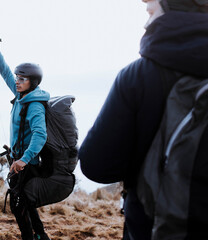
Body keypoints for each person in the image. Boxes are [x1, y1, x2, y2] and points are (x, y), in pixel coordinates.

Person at [78, 0, 208, 239]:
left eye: (151, 12)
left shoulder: (139, 75)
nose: (146, 22)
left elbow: (96, 165)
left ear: (176, 10)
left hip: (152, 229)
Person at [0, 41, 51, 240]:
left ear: (32, 82)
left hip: (27, 164)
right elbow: (7, 74)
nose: (17, 81)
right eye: (18, 77)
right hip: (19, 162)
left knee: (19, 206)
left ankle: (31, 237)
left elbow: (40, 135)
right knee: (25, 202)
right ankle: (41, 235)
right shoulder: (20, 96)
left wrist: (24, 160)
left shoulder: (34, 106)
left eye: (22, 79)